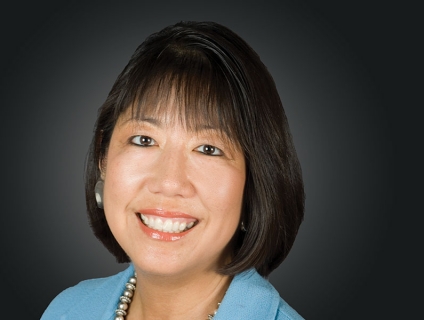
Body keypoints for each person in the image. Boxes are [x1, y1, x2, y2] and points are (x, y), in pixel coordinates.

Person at [41, 20, 305, 320]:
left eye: (208, 149)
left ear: (255, 182)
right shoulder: (68, 310)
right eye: (144, 140)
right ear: (103, 157)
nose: (169, 182)